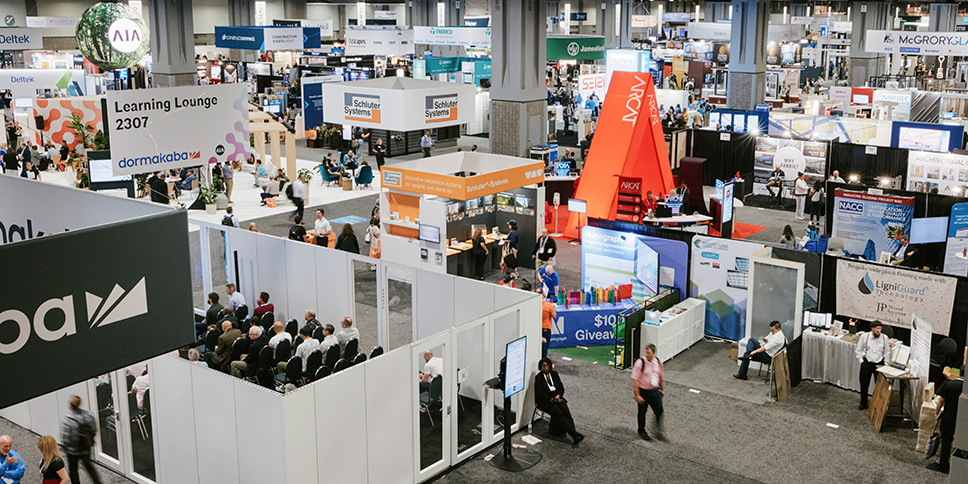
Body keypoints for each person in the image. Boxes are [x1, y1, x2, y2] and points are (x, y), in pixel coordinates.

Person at [534, 358, 584, 445]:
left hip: (557, 398)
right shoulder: (539, 378)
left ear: (550, 366)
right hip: (545, 402)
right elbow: (540, 394)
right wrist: (552, 399)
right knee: (558, 413)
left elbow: (561, 388)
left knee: (566, 411)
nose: (545, 368)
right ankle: (574, 434)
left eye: (546, 365)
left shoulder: (554, 374)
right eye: (543, 366)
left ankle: (573, 432)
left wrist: (558, 396)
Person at [60, 395, 102, 484]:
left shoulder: (68, 419)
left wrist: (65, 447)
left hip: (72, 451)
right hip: (86, 446)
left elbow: (66, 437)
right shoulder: (89, 415)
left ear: (70, 406)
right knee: (89, 467)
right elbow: (94, 429)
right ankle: (97, 482)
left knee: (73, 470)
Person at [929, 370, 964, 474]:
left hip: (948, 417)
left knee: (946, 441)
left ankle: (944, 465)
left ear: (959, 373)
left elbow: (940, 400)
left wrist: (936, 412)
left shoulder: (950, 384)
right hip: (962, 419)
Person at [632, 344, 665, 441]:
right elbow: (635, 380)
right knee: (642, 412)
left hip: (655, 391)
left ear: (654, 353)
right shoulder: (640, 363)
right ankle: (641, 431)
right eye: (646, 352)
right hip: (643, 392)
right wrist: (637, 395)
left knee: (659, 411)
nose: (646, 354)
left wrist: (662, 389)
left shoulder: (658, 362)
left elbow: (660, 376)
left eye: (649, 353)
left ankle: (657, 430)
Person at [855, 321, 891, 410]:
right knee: (864, 384)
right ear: (872, 328)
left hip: (879, 364)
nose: (879, 331)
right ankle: (863, 403)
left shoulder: (884, 338)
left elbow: (887, 352)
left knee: (879, 385)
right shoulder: (865, 337)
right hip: (867, 363)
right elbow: (858, 350)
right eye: (877, 329)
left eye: (880, 329)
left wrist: (886, 364)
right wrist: (861, 361)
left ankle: (878, 404)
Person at [540, 289, 556, 359]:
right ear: (543, 296)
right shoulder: (549, 305)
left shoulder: (533, 305)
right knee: (544, 347)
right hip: (546, 329)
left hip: (537, 328)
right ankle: (543, 360)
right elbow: (554, 316)